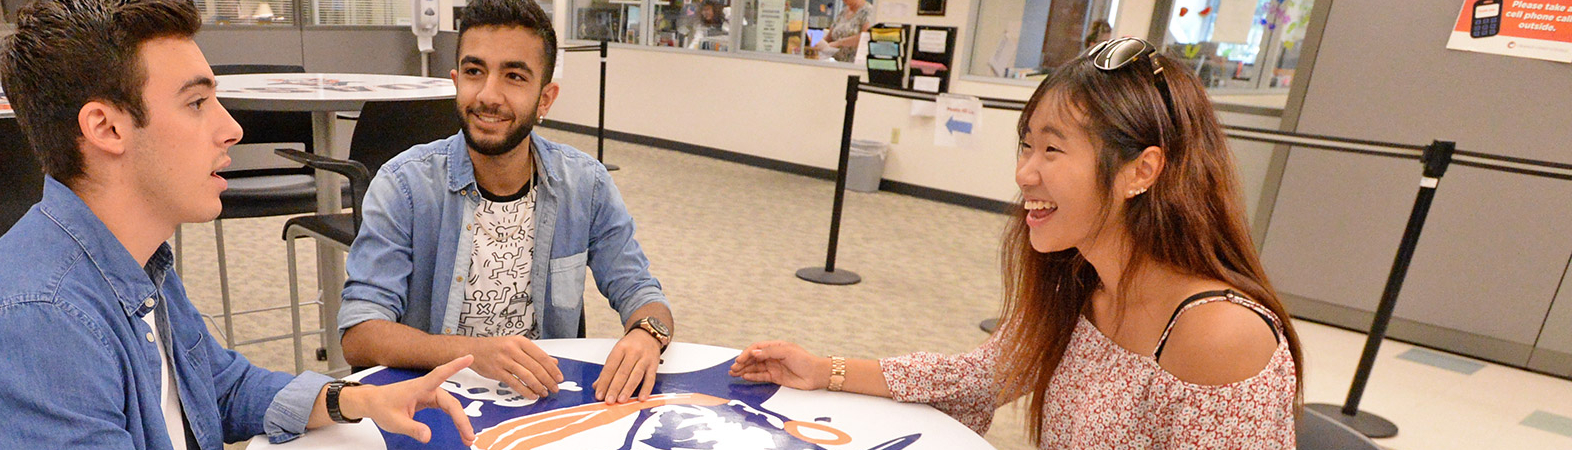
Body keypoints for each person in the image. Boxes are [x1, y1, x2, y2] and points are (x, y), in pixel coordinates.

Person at [0, 0, 476, 448]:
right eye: (196, 103)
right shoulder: (37, 318)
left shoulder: (135, 258)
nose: (231, 128)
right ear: (107, 129)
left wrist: (352, 400)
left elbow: (220, 388)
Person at [730, 37, 1303, 447]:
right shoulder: (1084, 280)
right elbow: (983, 374)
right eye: (1026, 146)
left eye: (1052, 150)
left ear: (1141, 170)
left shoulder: (1219, 334)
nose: (1024, 173)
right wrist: (821, 368)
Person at [336, 0, 678, 407]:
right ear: (456, 80)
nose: (487, 95)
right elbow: (360, 334)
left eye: (514, 76)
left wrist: (646, 334)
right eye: (474, 71)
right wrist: (474, 353)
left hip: (538, 402)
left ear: (545, 99)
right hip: (430, 399)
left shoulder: (585, 185)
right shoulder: (404, 186)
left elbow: (641, 292)